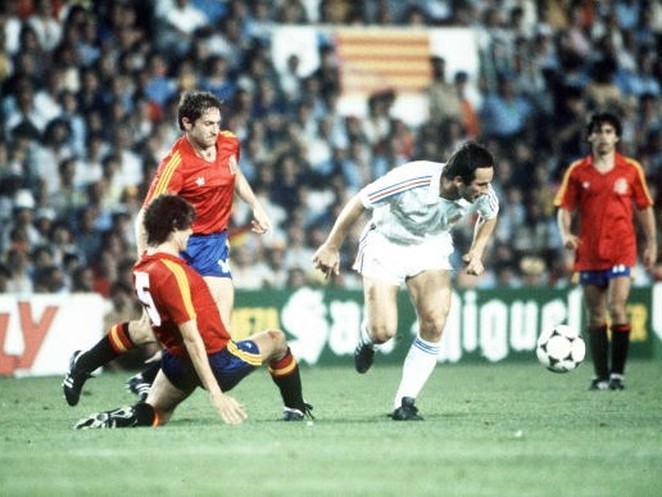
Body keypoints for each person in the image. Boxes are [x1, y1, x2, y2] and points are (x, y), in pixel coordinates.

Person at [63, 90, 272, 406]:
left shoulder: (228, 142)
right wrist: (145, 263)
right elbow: (144, 216)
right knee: (149, 330)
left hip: (214, 245)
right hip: (181, 247)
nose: (215, 130)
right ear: (187, 123)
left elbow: (234, 171)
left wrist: (255, 205)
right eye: (208, 124)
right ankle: (85, 363)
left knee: (218, 333)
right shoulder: (176, 165)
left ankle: (148, 377)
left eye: (218, 123)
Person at [73, 194, 311, 428]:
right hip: (217, 362)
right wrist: (216, 393)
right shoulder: (175, 274)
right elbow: (192, 337)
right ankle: (296, 408)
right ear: (174, 227)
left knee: (157, 413)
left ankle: (114, 418)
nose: (191, 232)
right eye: (188, 226)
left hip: (177, 362)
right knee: (277, 340)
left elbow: (163, 324)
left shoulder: (142, 268)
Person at [312, 141, 499, 420]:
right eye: (481, 185)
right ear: (459, 180)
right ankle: (367, 339)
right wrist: (331, 246)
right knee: (383, 332)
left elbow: (490, 215)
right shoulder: (411, 178)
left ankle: (404, 402)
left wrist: (477, 250)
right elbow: (359, 202)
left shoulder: (481, 192)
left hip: (430, 247)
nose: (486, 190)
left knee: (435, 321)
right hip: (386, 244)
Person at [555, 111, 657, 391]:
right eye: (598, 131)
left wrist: (652, 243)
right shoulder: (578, 171)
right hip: (588, 251)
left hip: (621, 248)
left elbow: (644, 207)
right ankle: (600, 376)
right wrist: (565, 234)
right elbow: (565, 208)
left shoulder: (630, 169)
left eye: (609, 131)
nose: (603, 137)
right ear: (590, 136)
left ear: (617, 137)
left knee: (617, 307)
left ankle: (618, 375)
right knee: (596, 315)